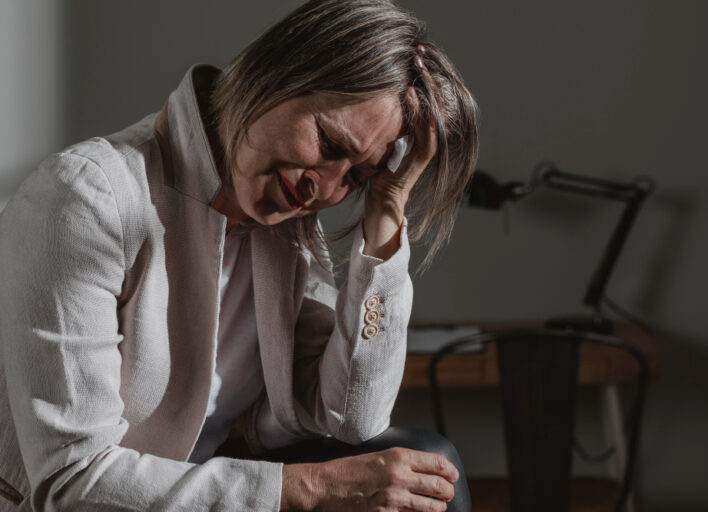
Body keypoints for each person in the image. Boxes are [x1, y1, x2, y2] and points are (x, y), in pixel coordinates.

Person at [0, 0, 478, 510]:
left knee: (426, 463)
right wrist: (309, 489)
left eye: (356, 177)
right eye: (330, 143)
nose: (327, 187)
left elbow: (354, 419)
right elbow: (73, 482)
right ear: (279, 73)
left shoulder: (286, 229)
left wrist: (386, 208)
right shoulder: (85, 198)